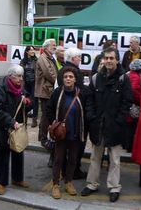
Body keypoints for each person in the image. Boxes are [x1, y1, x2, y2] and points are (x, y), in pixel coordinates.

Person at [81, 47, 133, 203]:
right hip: (98, 125)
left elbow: (127, 102)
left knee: (115, 159)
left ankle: (114, 187)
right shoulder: (96, 78)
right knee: (95, 157)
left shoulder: (124, 78)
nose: (109, 61)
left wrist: (119, 121)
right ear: (102, 59)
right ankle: (92, 184)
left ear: (117, 59)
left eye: (112, 58)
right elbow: (89, 99)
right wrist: (91, 116)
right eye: (106, 58)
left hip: (115, 126)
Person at [0, 65, 32, 195]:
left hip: (17, 128)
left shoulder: (22, 88)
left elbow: (29, 103)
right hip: (3, 129)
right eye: (18, 76)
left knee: (18, 153)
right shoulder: (1, 89)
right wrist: (11, 122)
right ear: (10, 76)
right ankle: (2, 183)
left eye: (22, 76)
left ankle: (17, 179)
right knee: (3, 156)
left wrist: (28, 103)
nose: (21, 79)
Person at [46, 66, 87, 198]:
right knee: (58, 159)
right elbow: (49, 109)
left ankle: (68, 181)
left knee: (73, 159)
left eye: (71, 77)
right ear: (62, 79)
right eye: (65, 77)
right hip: (60, 134)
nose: (68, 79)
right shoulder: (57, 92)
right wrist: (53, 123)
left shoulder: (81, 93)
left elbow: (86, 111)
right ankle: (56, 184)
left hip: (75, 132)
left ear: (75, 79)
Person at [35, 39, 58, 167]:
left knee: (48, 117)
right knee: (46, 117)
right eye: (53, 45)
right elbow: (50, 74)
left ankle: (46, 139)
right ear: (46, 47)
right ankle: (44, 139)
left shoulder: (50, 57)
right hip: (45, 92)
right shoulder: (43, 58)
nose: (55, 47)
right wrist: (60, 81)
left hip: (48, 91)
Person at [125, 59, 141, 152]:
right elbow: (135, 90)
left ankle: (126, 145)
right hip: (134, 105)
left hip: (128, 103)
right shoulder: (136, 77)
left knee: (129, 126)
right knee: (131, 127)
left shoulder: (129, 74)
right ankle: (129, 146)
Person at [20, 46, 38, 128]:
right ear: (27, 51)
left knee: (34, 101)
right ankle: (25, 120)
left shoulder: (36, 60)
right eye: (30, 50)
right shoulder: (23, 61)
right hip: (26, 83)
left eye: (33, 49)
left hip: (34, 83)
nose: (32, 51)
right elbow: (20, 72)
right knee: (25, 101)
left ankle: (34, 120)